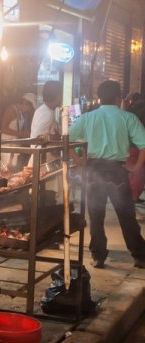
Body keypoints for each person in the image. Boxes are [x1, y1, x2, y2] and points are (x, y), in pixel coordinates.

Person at [69, 80, 145, 269]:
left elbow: (66, 139)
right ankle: (140, 256)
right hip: (117, 171)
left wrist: (79, 162)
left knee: (96, 216)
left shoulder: (87, 118)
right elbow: (144, 144)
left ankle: (98, 257)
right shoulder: (127, 118)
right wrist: (136, 167)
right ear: (118, 97)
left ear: (100, 97)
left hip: (94, 170)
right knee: (127, 215)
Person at [0, 93, 36, 172]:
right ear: (25, 103)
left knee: (12, 171)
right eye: (30, 108)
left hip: (14, 145)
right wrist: (21, 134)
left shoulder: (20, 112)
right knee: (6, 171)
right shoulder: (10, 110)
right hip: (6, 145)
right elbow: (3, 128)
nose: (29, 111)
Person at [123, 93, 145, 202]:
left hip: (129, 145)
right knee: (139, 172)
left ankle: (130, 195)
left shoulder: (130, 109)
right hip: (139, 145)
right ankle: (134, 196)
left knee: (132, 170)